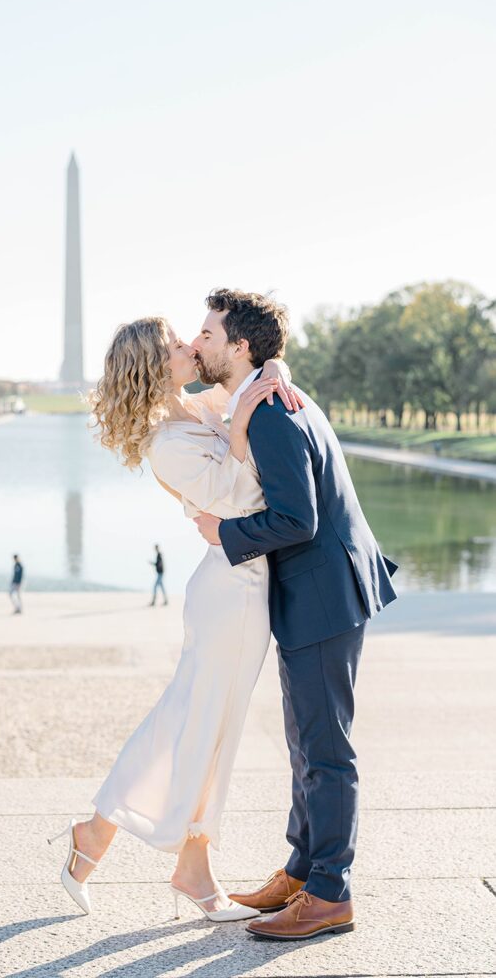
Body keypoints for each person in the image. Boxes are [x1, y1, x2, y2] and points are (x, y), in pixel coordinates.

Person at [48, 315, 302, 921]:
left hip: (242, 587)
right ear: (155, 366)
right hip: (229, 595)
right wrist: (241, 426)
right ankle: (178, 864)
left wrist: (278, 370)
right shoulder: (166, 442)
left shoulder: (201, 406)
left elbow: (254, 375)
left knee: (197, 723)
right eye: (177, 345)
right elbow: (242, 501)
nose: (193, 345)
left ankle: (108, 840)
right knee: (203, 726)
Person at [192, 288, 398, 942]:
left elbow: (295, 518)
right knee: (305, 741)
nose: (198, 342)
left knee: (325, 750)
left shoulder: (273, 410)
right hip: (319, 590)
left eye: (206, 332)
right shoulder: (268, 393)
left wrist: (220, 532)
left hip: (321, 594)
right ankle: (303, 869)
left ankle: (330, 893)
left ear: (241, 346)